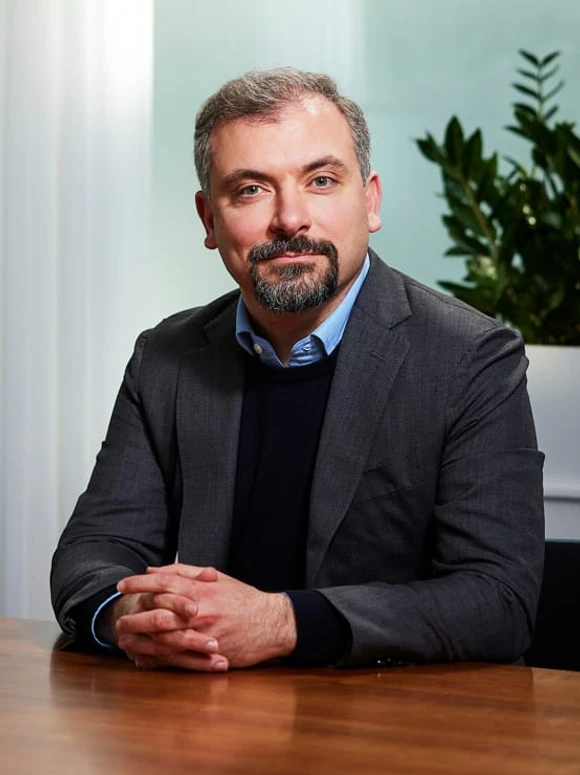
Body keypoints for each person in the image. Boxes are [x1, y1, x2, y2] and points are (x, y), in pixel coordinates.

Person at [51, 67, 545, 672]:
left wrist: (282, 622)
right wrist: (134, 617)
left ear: (370, 201)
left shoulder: (470, 357)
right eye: (251, 189)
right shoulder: (166, 357)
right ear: (209, 220)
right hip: (204, 720)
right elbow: (95, 549)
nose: (290, 218)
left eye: (321, 180)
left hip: (394, 731)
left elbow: (498, 598)